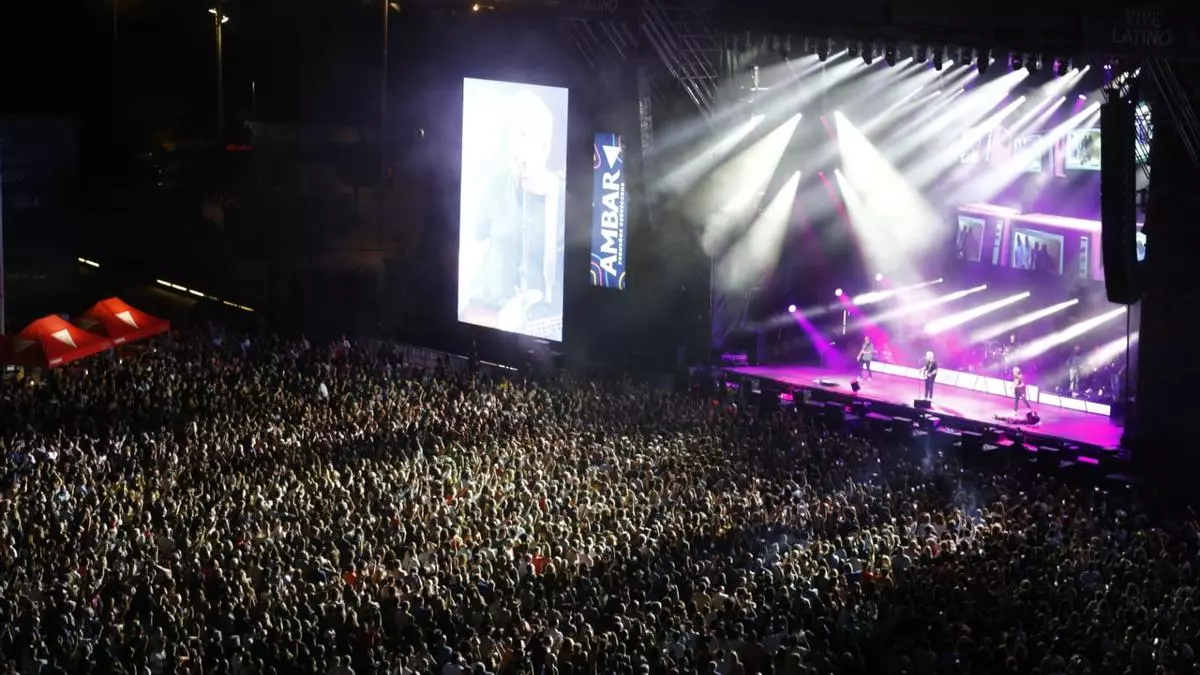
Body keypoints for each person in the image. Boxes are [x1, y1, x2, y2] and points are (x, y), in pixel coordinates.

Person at [463, 87, 565, 337]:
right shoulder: (493, 185)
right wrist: (496, 319)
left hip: (539, 329)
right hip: (489, 318)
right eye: (512, 136)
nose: (516, 150)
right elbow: (471, 255)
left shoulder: (562, 199)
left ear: (545, 147)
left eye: (524, 136)